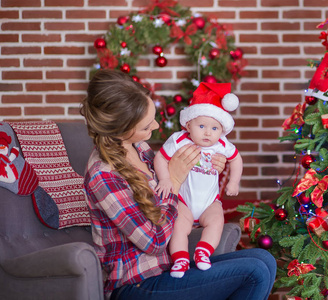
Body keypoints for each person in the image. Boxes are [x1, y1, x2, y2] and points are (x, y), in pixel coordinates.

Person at [80, 69, 276, 300]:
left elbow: (177, 199)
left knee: (264, 260)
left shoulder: (139, 148)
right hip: (137, 284)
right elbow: (153, 242)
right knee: (254, 272)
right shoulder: (103, 175)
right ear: (120, 128)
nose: (154, 126)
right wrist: (173, 180)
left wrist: (210, 166)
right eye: (145, 126)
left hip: (169, 266)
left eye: (152, 117)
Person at [154, 82, 243, 278]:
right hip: (183, 202)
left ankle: (203, 251)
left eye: (214, 128)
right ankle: (180, 259)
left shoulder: (221, 144)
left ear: (222, 130)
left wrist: (233, 182)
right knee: (178, 227)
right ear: (188, 124)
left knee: (217, 220)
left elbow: (236, 159)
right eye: (201, 126)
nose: (207, 133)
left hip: (209, 202)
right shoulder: (179, 140)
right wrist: (165, 179)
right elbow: (160, 157)